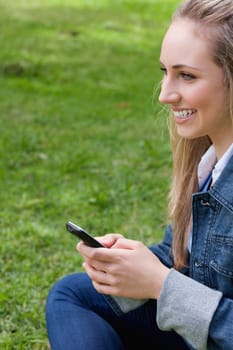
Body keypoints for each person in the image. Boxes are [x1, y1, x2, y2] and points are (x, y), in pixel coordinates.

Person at [46, 0, 233, 349]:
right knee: (72, 294)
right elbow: (188, 258)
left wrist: (161, 284)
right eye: (165, 71)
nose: (164, 94)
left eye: (187, 75)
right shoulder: (209, 161)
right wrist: (132, 263)